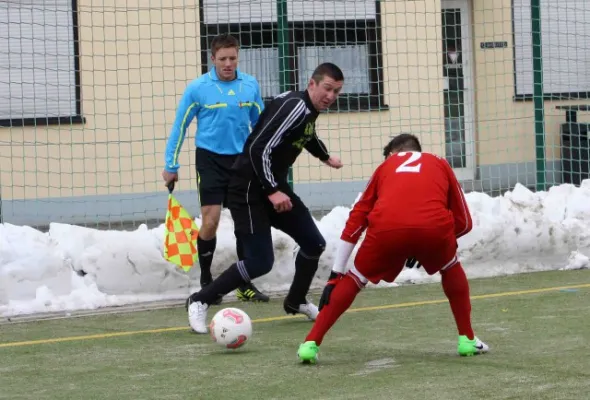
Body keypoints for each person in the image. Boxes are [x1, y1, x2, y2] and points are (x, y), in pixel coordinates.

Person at [297, 133, 490, 363]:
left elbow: (357, 218)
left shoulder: (385, 167)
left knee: (355, 277)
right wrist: (433, 243)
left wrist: (335, 274)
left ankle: (310, 343)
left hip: (385, 231)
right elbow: (465, 222)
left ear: (391, 155)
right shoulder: (440, 162)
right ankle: (467, 339)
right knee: (450, 266)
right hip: (434, 229)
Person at [185, 62, 346, 334]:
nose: (331, 96)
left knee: (314, 243)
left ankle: (296, 300)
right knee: (260, 262)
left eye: (337, 92)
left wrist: (324, 156)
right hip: (248, 189)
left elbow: (305, 135)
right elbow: (259, 148)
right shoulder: (295, 106)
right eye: (327, 89)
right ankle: (199, 300)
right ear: (312, 84)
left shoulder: (307, 109)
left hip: (272, 187)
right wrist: (272, 190)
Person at [162, 33, 270, 305]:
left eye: (232, 58)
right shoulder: (198, 89)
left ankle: (244, 282)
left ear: (238, 58)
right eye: (222, 59)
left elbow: (261, 125)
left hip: (241, 161)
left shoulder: (250, 85)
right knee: (210, 221)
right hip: (209, 160)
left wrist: (267, 160)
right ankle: (207, 281)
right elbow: (180, 126)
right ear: (212, 59)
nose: (228, 63)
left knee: (244, 225)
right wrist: (170, 165)